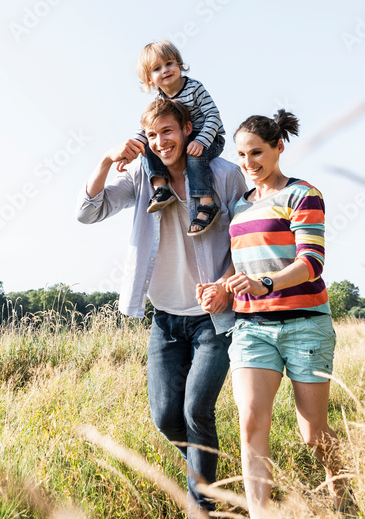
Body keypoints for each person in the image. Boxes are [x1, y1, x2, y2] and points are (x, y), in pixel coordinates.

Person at [76, 98, 245, 515]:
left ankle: (203, 507)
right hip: (166, 319)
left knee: (195, 410)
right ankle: (213, 485)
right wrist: (104, 160)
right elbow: (88, 212)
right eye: (152, 134)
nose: (160, 141)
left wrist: (227, 285)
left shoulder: (223, 175)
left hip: (214, 318)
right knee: (166, 415)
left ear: (187, 129)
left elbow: (250, 238)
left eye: (167, 131)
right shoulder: (142, 175)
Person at [199, 110, 349, 517]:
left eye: (257, 153)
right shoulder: (237, 208)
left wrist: (265, 283)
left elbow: (311, 264)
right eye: (242, 155)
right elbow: (239, 265)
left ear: (279, 147)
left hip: (305, 326)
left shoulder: (303, 195)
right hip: (251, 329)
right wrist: (220, 288)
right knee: (250, 424)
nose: (249, 164)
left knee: (313, 434)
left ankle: (346, 501)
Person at [113, 40, 226, 236]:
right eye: (157, 68)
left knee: (193, 155)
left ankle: (207, 204)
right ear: (150, 79)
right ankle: (161, 188)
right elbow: (145, 130)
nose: (165, 70)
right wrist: (131, 149)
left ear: (179, 64)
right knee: (150, 145)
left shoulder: (194, 88)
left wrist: (201, 141)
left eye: (169, 63)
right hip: (184, 138)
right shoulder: (160, 101)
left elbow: (213, 115)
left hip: (209, 137)